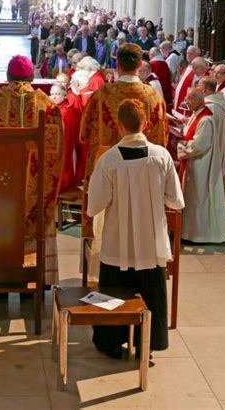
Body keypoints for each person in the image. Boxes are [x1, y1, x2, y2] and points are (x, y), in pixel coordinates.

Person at [88, 99, 184, 358]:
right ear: (146, 123)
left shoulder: (108, 160)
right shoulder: (161, 156)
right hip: (151, 244)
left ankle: (111, 342)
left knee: (113, 294)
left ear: (119, 126)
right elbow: (176, 200)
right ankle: (148, 342)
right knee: (151, 291)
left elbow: (94, 204)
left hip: (118, 244)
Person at [0, 55, 63, 285]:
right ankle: (32, 280)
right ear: (32, 77)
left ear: (7, 76)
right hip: (33, 190)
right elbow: (55, 155)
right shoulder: (49, 107)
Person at [80, 44, 168, 280]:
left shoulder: (102, 94)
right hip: (145, 172)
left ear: (117, 65)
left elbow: (84, 134)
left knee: (103, 224)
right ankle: (143, 271)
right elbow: (162, 138)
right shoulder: (153, 96)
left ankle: (100, 276)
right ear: (140, 65)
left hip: (104, 165)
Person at [178, 89, 225, 243]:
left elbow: (200, 145)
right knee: (193, 196)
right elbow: (191, 132)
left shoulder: (206, 119)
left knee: (199, 197)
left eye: (189, 100)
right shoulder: (198, 113)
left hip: (201, 164)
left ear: (199, 100)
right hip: (195, 162)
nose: (187, 103)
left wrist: (182, 145)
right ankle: (189, 232)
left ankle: (199, 234)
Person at [197, 76, 225, 176]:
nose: (196, 88)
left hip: (207, 152)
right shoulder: (217, 103)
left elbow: (202, 134)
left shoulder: (209, 107)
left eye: (198, 86)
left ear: (203, 89)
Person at [172, 45, 201, 115]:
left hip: (187, 106)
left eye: (191, 53)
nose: (188, 55)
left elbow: (196, 89)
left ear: (197, 55)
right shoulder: (188, 67)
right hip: (179, 102)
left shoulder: (197, 69)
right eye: (187, 53)